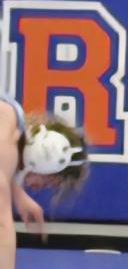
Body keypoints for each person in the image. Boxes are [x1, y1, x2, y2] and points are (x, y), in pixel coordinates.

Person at [1, 94, 88, 269]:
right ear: (43, 159)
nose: (39, 187)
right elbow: (2, 228)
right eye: (48, 180)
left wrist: (18, 195)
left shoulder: (12, 117)